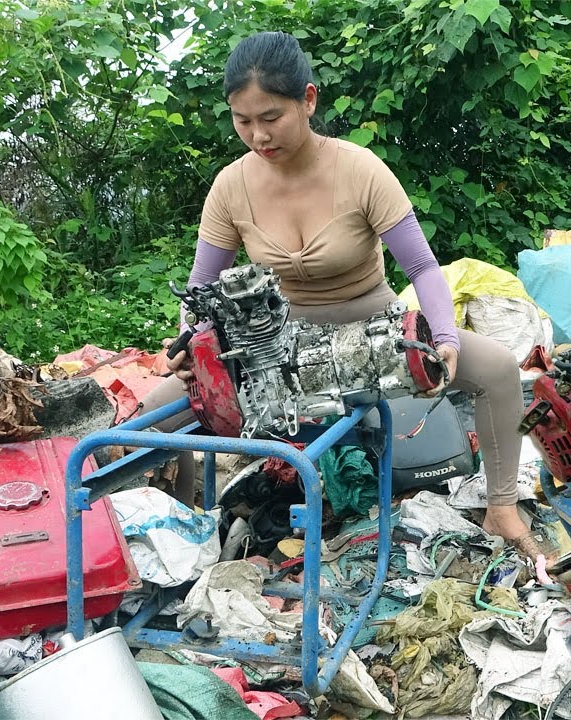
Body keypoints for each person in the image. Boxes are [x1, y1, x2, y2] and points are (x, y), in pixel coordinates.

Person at [140, 31, 542, 559]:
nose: (258, 135)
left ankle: (502, 508)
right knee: (155, 416)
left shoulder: (360, 169)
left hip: (371, 327)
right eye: (243, 121)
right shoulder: (230, 186)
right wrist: (187, 346)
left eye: (271, 117)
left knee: (496, 369)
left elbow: (422, 266)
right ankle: (184, 529)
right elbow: (199, 285)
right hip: (275, 344)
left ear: (308, 100)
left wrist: (444, 337)